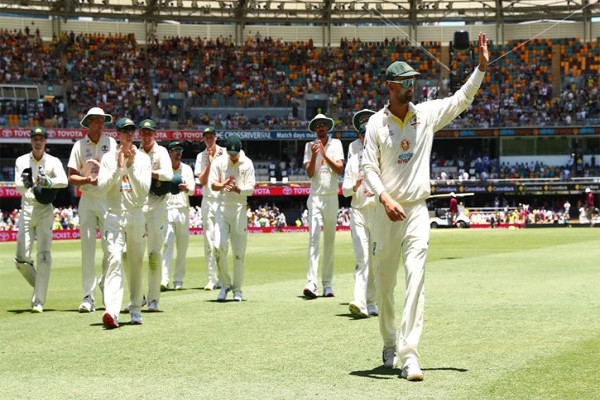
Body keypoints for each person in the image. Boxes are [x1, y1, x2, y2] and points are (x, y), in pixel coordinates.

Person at [361, 32, 489, 381]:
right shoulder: (376, 124)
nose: (411, 87)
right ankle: (389, 341)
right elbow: (368, 168)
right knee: (384, 285)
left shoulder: (426, 115)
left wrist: (480, 68)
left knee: (416, 278)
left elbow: (461, 99)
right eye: (405, 82)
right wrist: (384, 198)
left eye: (413, 81)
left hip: (417, 209)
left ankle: (409, 354)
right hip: (385, 212)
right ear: (390, 86)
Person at [96, 118, 151, 328]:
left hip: (136, 214)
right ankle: (112, 311)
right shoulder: (108, 158)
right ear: (117, 134)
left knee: (135, 263)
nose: (129, 134)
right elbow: (101, 188)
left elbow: (144, 190)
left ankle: (136, 308)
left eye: (131, 130)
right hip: (114, 215)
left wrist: (130, 167)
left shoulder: (143, 159)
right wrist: (118, 169)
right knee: (114, 260)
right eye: (124, 130)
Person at [67, 106, 116, 313]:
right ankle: (88, 296)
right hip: (87, 198)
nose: (100, 123)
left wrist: (102, 175)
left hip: (106, 198)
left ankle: (106, 284)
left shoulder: (111, 143)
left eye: (102, 120)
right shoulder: (79, 146)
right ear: (88, 122)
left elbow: (117, 170)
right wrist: (87, 180)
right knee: (87, 249)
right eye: (96, 120)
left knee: (110, 248)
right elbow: (71, 176)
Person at [14, 127, 68, 313]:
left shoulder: (53, 161)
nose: (38, 142)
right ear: (31, 141)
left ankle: (38, 300)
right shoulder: (21, 161)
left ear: (45, 141)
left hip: (45, 209)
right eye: (35, 138)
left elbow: (64, 181)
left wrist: (48, 183)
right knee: (21, 259)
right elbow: (19, 185)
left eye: (41, 139)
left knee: (44, 254)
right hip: (28, 208)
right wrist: (33, 187)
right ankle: (40, 285)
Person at [302, 113, 344, 299]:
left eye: (323, 125)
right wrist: (314, 155)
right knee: (313, 238)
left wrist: (324, 154)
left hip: (331, 196)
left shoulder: (336, 144)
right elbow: (310, 173)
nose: (320, 127)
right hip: (316, 197)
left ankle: (327, 284)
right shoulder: (309, 146)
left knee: (329, 241)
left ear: (327, 127)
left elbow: (339, 169)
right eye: (317, 125)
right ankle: (311, 282)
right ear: (315, 129)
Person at [209, 135, 256, 302]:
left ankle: (237, 289)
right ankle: (225, 284)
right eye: (230, 154)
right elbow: (212, 184)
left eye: (235, 154)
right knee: (218, 247)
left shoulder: (247, 163)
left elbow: (251, 189)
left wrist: (237, 189)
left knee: (238, 253)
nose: (233, 157)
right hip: (222, 207)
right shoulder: (220, 161)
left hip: (239, 209)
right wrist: (223, 185)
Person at [342, 109, 378, 318]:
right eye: (362, 134)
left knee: (375, 258)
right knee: (362, 257)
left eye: (367, 133)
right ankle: (359, 301)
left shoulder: (382, 151)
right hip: (358, 211)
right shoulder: (353, 156)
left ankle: (372, 302)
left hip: (377, 211)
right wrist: (355, 185)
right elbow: (345, 190)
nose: (364, 138)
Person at [139, 119, 173, 312]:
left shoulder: (161, 152)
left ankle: (153, 300)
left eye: (149, 132)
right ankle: (137, 297)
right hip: (137, 206)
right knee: (131, 254)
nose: (146, 136)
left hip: (157, 207)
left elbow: (168, 175)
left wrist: (148, 172)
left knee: (154, 254)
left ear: (154, 134)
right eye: (143, 132)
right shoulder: (135, 152)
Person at [194, 126, 226, 291]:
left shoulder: (225, 153)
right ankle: (212, 279)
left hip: (222, 200)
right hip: (207, 199)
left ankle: (223, 277)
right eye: (206, 137)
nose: (209, 139)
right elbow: (201, 180)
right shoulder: (201, 156)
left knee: (220, 242)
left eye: (211, 136)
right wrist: (210, 162)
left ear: (215, 137)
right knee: (208, 241)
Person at [161, 141, 195, 291]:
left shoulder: (186, 169)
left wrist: (187, 188)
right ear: (169, 152)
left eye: (180, 150)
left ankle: (178, 280)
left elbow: (193, 190)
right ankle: (164, 279)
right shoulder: (164, 169)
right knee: (167, 245)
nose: (178, 153)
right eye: (175, 150)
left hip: (182, 210)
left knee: (182, 248)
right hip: (167, 209)